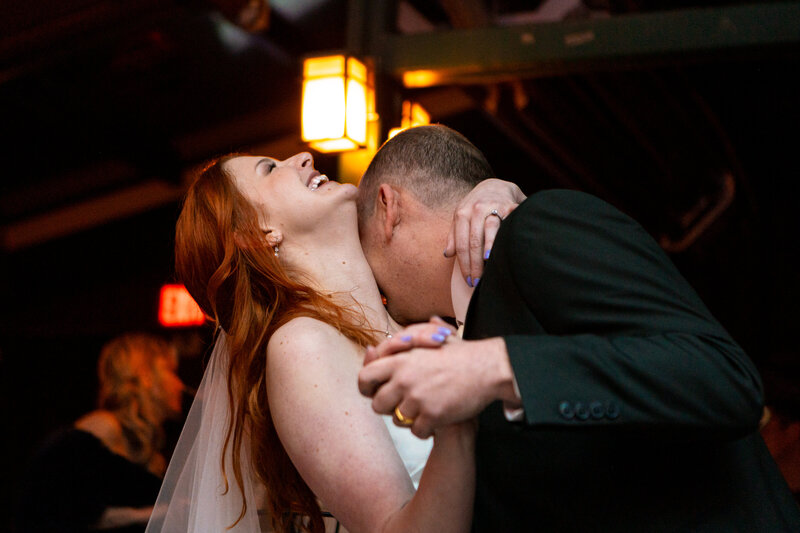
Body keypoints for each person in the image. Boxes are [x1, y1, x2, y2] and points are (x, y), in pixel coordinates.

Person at [357, 124, 800, 531]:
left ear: (388, 207)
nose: (375, 290)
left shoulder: (535, 227)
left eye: (363, 254)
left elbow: (723, 378)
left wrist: (501, 366)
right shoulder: (467, 329)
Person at [146, 151, 519, 533]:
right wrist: (455, 423)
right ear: (259, 234)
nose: (303, 156)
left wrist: (494, 192)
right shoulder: (300, 345)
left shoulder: (413, 317)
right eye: (270, 169)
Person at [15, 332, 186, 533]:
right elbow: (53, 508)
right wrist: (150, 515)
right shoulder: (102, 428)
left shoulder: (150, 443)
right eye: (171, 372)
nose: (180, 384)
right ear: (146, 376)